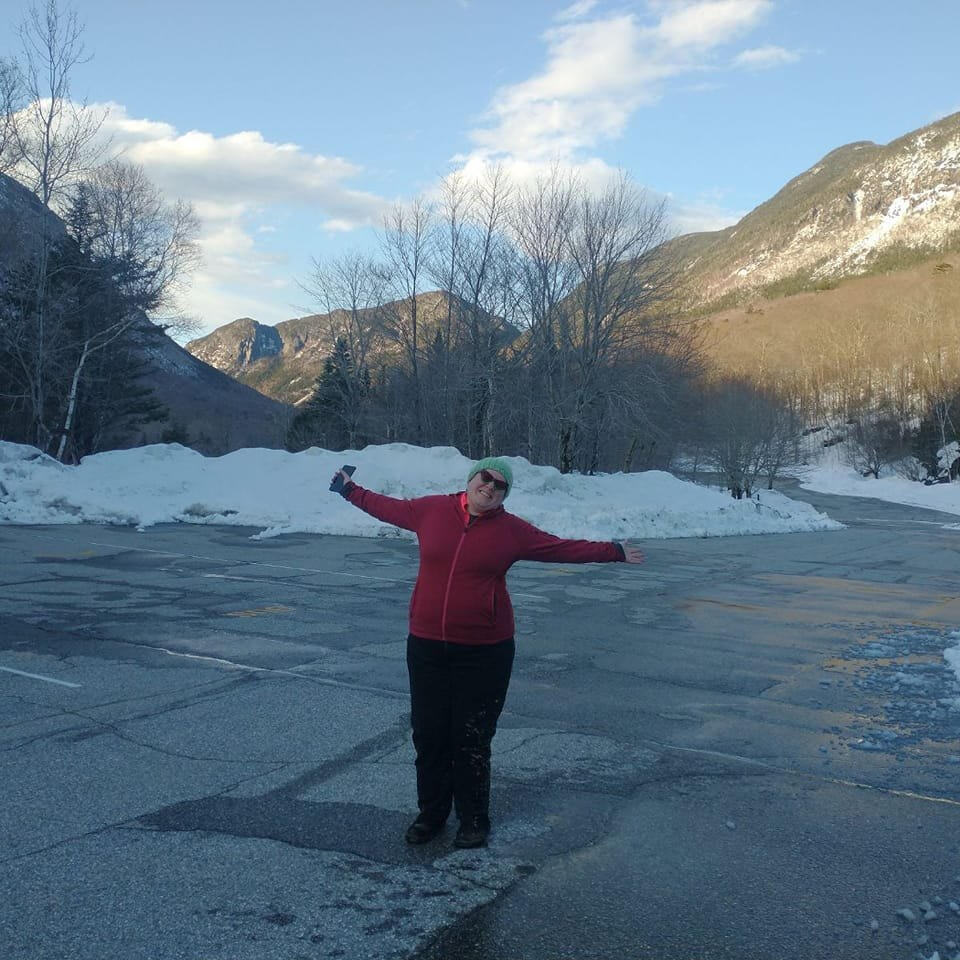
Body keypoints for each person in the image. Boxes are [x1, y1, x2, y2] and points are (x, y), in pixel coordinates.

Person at [331, 456, 645, 849]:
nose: (491, 487)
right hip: (427, 644)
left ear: (504, 495)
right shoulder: (430, 510)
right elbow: (385, 507)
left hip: (485, 651)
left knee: (472, 737)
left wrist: (612, 551)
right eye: (486, 478)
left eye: (501, 485)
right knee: (429, 736)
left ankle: (474, 818)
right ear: (471, 479)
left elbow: (560, 548)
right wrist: (348, 489)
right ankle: (431, 814)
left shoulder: (512, 532)